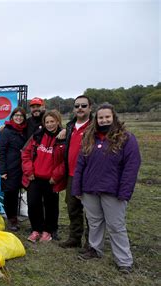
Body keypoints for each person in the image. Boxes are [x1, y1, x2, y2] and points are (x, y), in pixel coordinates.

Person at [73, 103, 141, 274]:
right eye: (101, 117)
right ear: (96, 119)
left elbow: (131, 167)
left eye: (107, 117)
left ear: (113, 117)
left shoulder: (126, 138)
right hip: (90, 188)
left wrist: (125, 192)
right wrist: (77, 188)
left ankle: (124, 260)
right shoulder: (89, 137)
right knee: (95, 222)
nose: (104, 120)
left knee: (116, 225)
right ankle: (95, 249)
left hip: (113, 191)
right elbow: (80, 164)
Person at [22, 110, 66, 242]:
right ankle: (36, 229)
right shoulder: (37, 135)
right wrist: (29, 172)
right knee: (33, 204)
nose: (50, 124)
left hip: (52, 180)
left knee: (51, 206)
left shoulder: (63, 138)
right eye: (47, 122)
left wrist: (56, 176)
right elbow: (25, 153)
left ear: (58, 121)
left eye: (52, 121)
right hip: (34, 178)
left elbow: (66, 161)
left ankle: (48, 231)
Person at [59, 95, 93, 249]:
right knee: (73, 207)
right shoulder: (70, 127)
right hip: (72, 174)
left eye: (83, 106)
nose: (80, 108)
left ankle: (91, 242)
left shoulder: (95, 126)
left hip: (89, 174)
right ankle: (75, 238)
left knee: (92, 211)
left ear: (90, 108)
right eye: (77, 106)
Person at [0, 107, 28, 231]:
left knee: (17, 193)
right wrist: (2, 171)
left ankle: (17, 217)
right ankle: (12, 219)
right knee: (10, 195)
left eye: (21, 116)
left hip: (22, 168)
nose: (19, 117)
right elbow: (1, 152)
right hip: (10, 169)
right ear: (12, 117)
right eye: (16, 115)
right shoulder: (6, 131)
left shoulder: (25, 131)